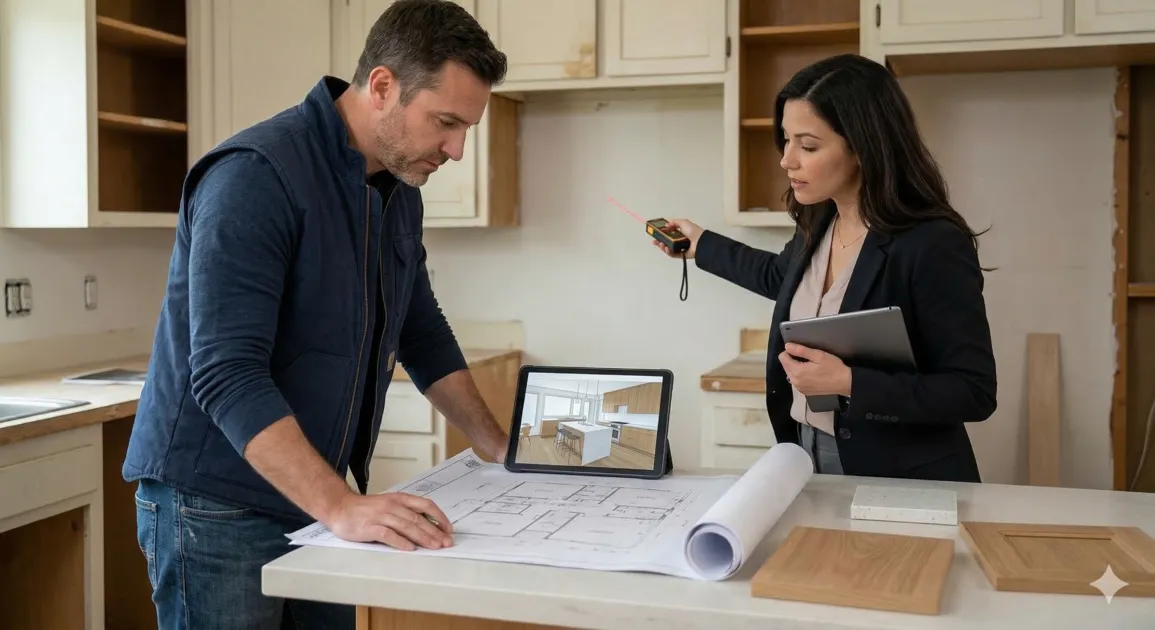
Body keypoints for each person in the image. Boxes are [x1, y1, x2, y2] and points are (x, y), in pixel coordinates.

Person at [121, 1, 510, 627]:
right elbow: (226, 374)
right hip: (217, 505)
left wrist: (500, 446)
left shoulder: (396, 188)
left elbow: (420, 330)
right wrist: (342, 506)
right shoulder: (255, 176)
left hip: (313, 494)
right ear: (381, 86)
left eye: (466, 128)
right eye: (446, 122)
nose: (457, 149)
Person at [655, 53, 997, 483]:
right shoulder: (820, 219)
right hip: (805, 449)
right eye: (786, 140)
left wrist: (849, 381)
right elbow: (781, 278)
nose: (787, 160)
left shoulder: (933, 243)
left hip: (899, 476)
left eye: (808, 145)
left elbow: (973, 391)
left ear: (863, 147)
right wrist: (700, 244)